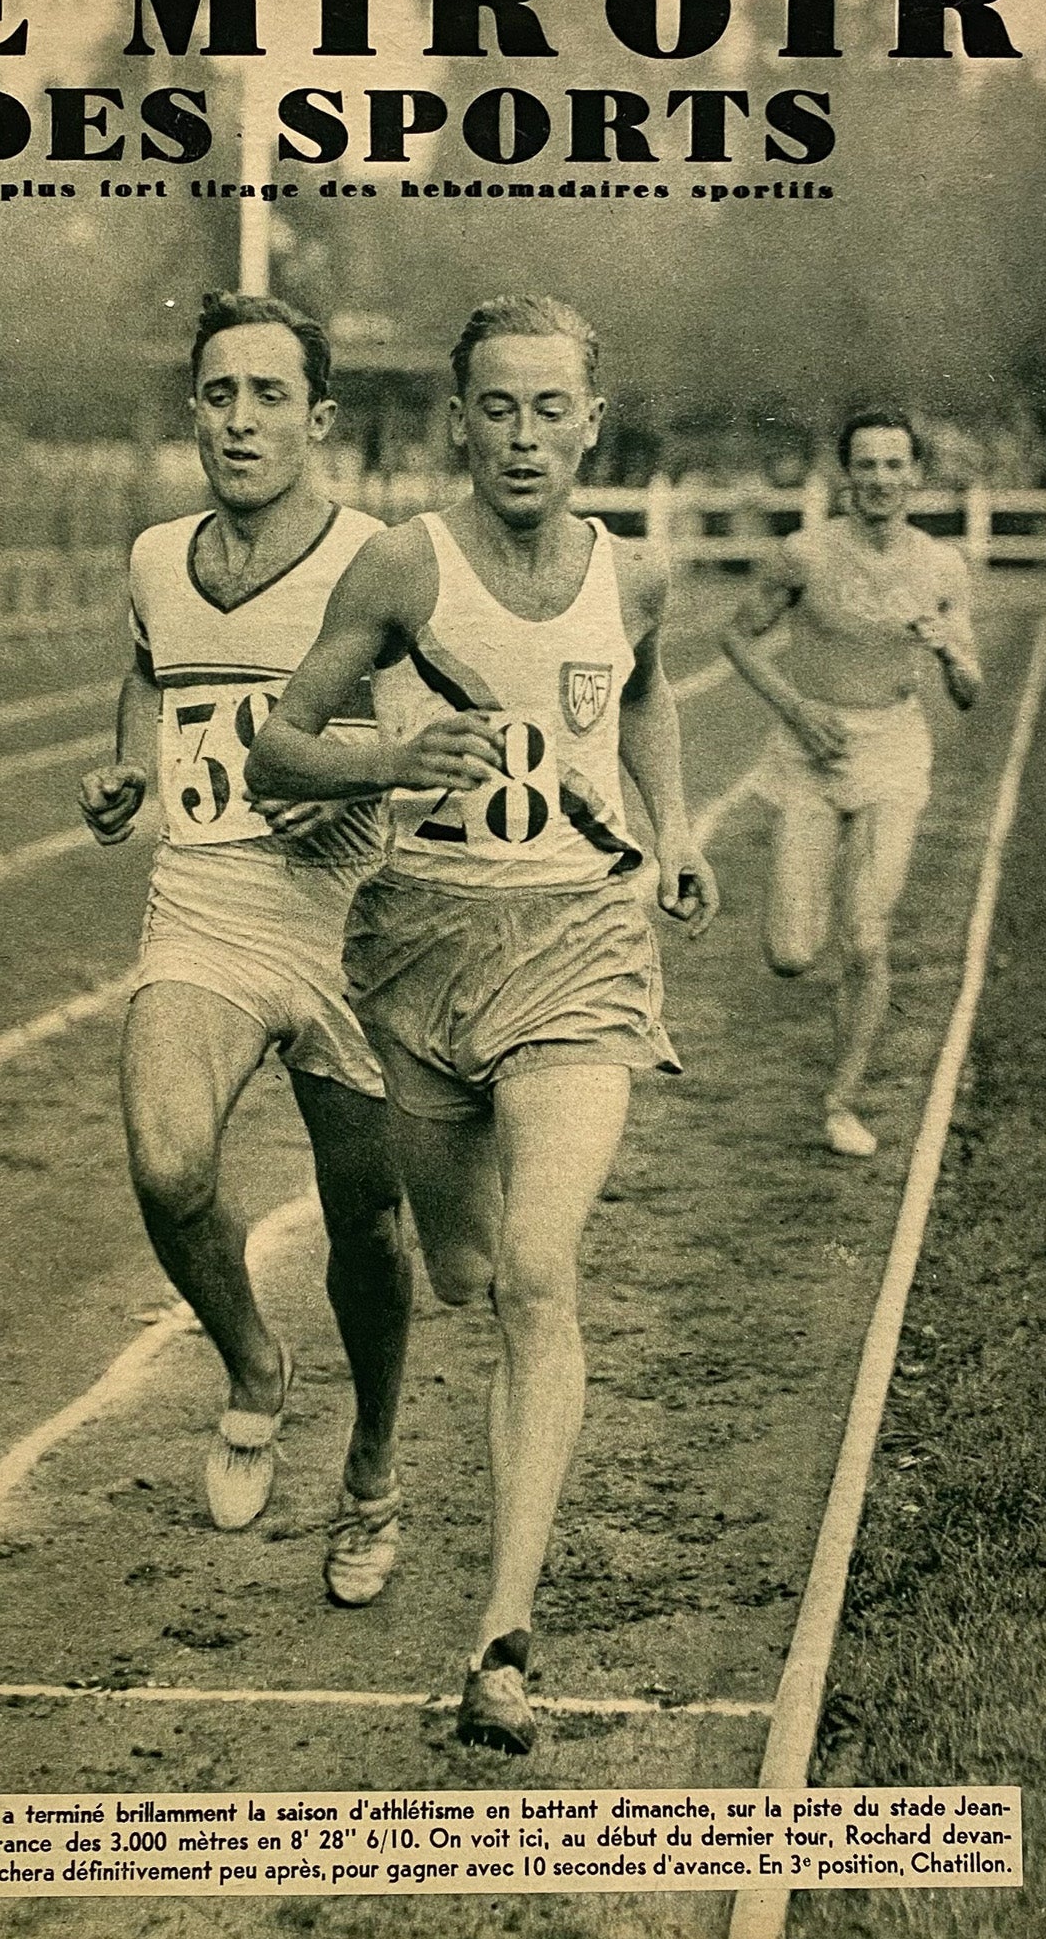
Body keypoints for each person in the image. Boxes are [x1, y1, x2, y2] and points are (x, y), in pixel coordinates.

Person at [247, 294, 719, 1753]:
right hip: (422, 954)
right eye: (496, 409)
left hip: (582, 946)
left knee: (535, 1273)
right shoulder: (406, 564)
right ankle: (459, 1292)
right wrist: (396, 757)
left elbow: (638, 702)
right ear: (461, 421)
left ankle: (502, 1646)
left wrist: (676, 830)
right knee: (459, 1265)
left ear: (595, 421)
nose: (523, 437)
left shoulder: (631, 577)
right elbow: (276, 735)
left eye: (549, 410)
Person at [79, 292, 411, 1608]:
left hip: (351, 926)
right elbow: (154, 678)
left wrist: (325, 774)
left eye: (271, 395)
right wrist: (124, 766)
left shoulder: (381, 562)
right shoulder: (160, 555)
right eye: (220, 394)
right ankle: (255, 1365)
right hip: (207, 902)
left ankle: (373, 1471)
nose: (242, 419)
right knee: (167, 1168)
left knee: (368, 1226)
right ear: (195, 411)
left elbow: (432, 753)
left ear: (318, 418)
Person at [721, 409, 982, 1158]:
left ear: (915, 476)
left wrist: (948, 656)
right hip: (807, 753)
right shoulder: (803, 555)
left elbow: (971, 688)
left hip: (892, 751)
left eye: (894, 465)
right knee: (793, 953)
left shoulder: (940, 568)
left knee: (866, 936)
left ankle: (841, 1102)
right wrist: (797, 709)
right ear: (845, 474)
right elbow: (737, 635)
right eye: (865, 465)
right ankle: (810, 936)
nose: (879, 480)